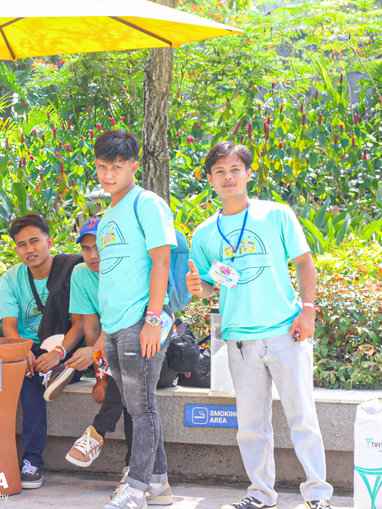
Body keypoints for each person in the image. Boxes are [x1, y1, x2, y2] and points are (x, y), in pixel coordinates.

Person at [186, 141, 333, 509]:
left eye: (235, 169)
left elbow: (304, 262)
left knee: (303, 418)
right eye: (219, 172)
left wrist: (308, 311)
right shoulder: (204, 233)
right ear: (209, 179)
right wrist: (197, 287)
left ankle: (318, 495)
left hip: (285, 333)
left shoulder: (275, 214)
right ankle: (260, 494)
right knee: (251, 426)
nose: (228, 177)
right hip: (239, 341)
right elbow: (209, 285)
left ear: (248, 174)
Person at [92, 130, 175, 509]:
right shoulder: (108, 213)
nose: (109, 175)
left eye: (117, 166)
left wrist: (153, 320)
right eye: (102, 167)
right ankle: (158, 483)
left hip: (142, 320)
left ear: (133, 167)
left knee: (142, 408)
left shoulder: (147, 203)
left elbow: (162, 260)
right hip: (114, 324)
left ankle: (136, 488)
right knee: (134, 405)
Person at [0, 213, 84, 489]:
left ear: (49, 241)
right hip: (27, 350)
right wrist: (22, 349)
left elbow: (81, 324)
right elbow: (9, 327)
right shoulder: (11, 278)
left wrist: (58, 353)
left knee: (29, 378)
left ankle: (33, 460)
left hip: (65, 349)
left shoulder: (71, 270)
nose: (29, 249)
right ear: (16, 249)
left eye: (35, 241)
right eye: (22, 244)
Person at [63, 218, 133, 489]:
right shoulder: (81, 274)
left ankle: (96, 432)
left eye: (99, 247)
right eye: (86, 248)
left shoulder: (127, 268)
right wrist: (100, 378)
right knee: (127, 387)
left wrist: (102, 363)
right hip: (114, 360)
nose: (93, 255)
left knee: (129, 376)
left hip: (147, 350)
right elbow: (91, 330)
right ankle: (133, 468)